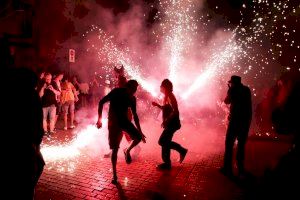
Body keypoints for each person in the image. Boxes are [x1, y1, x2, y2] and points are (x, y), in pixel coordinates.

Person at [3, 67, 45, 199]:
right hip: (26, 143)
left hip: (17, 141)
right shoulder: (32, 97)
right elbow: (37, 122)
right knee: (32, 170)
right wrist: (37, 144)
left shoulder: (10, 94)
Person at [96, 80, 146, 184]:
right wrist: (99, 120)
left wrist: (140, 131)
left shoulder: (132, 98)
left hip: (124, 121)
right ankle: (114, 175)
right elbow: (101, 102)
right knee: (115, 149)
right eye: (133, 89)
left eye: (135, 89)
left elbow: (135, 115)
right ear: (128, 87)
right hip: (113, 123)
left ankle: (127, 151)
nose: (135, 91)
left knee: (138, 137)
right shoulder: (116, 92)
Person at [220, 75, 252, 178]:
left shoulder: (233, 90)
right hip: (245, 121)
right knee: (241, 146)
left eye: (231, 83)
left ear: (233, 83)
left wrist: (229, 91)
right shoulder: (246, 89)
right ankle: (240, 169)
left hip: (235, 121)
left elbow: (226, 101)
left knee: (229, 144)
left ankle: (227, 168)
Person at [152, 79, 188, 170]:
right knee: (165, 142)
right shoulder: (167, 96)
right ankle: (167, 163)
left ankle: (181, 151)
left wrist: (166, 120)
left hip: (173, 123)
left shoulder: (170, 96)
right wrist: (158, 105)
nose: (160, 87)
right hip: (170, 123)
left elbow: (175, 111)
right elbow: (167, 108)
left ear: (165, 87)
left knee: (162, 141)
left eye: (161, 86)